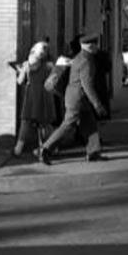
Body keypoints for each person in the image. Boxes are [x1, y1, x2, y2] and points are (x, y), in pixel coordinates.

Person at [39, 33, 108, 164]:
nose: (97, 47)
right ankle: (46, 149)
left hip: (76, 98)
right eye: (95, 44)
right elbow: (87, 85)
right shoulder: (86, 61)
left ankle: (93, 152)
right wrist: (97, 104)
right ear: (90, 46)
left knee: (90, 125)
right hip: (78, 99)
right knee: (68, 125)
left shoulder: (80, 57)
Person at [13, 42, 57, 156]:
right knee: (45, 123)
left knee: (26, 121)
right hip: (44, 96)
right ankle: (52, 146)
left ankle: (18, 148)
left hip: (31, 96)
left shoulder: (26, 65)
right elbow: (53, 82)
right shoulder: (49, 66)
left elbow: (20, 81)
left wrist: (21, 70)